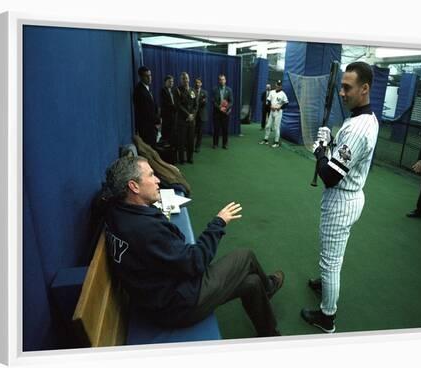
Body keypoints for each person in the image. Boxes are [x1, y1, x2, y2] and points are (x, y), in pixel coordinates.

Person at [102, 156, 285, 337]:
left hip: (157, 296)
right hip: (176, 307)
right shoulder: (146, 229)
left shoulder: (115, 209)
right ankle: (268, 287)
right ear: (133, 186)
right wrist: (218, 223)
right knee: (245, 256)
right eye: (151, 175)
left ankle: (270, 333)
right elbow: (195, 261)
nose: (158, 179)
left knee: (252, 282)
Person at [301, 61, 379, 333]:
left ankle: (327, 317)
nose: (342, 92)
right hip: (350, 195)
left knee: (330, 261)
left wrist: (321, 149)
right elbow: (345, 157)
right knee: (333, 255)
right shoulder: (363, 118)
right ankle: (325, 283)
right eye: (342, 87)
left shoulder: (358, 127)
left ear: (365, 88)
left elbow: (330, 175)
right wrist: (331, 141)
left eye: (348, 87)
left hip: (341, 199)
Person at [133, 66, 161, 149]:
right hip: (146, 128)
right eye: (146, 76)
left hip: (151, 126)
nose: (149, 78)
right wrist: (158, 121)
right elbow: (146, 112)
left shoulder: (146, 88)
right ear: (141, 77)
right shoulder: (140, 91)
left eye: (150, 75)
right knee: (150, 149)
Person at [174, 72, 197, 164]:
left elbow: (196, 105)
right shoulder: (177, 90)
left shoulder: (193, 91)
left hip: (191, 121)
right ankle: (181, 159)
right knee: (181, 141)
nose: (185, 80)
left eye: (186, 78)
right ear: (181, 80)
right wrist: (188, 115)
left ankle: (190, 157)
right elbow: (178, 105)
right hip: (182, 120)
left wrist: (193, 115)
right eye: (183, 79)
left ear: (189, 79)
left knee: (191, 140)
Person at [259, 80, 288, 148]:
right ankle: (266, 139)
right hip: (272, 111)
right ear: (275, 85)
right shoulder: (272, 92)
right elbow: (268, 100)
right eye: (277, 84)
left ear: (281, 86)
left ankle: (276, 142)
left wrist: (280, 107)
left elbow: (286, 103)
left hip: (278, 112)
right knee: (268, 126)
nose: (278, 86)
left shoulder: (283, 94)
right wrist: (270, 106)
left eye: (279, 85)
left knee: (276, 127)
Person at [212, 74, 233, 149]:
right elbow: (213, 101)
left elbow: (231, 102)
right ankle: (215, 144)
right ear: (218, 81)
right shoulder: (215, 89)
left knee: (225, 129)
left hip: (225, 113)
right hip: (217, 113)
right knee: (216, 129)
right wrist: (219, 108)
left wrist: (226, 108)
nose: (222, 81)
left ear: (225, 80)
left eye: (223, 79)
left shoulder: (229, 90)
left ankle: (225, 144)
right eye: (220, 79)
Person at [160, 75, 177, 146]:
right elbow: (166, 103)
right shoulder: (163, 90)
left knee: (173, 130)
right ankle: (166, 144)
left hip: (174, 114)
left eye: (172, 81)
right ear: (165, 82)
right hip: (166, 115)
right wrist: (176, 107)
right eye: (170, 81)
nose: (171, 83)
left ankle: (172, 143)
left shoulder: (174, 90)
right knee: (166, 131)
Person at [193, 77, 208, 153]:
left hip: (202, 115)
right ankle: (190, 146)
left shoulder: (204, 92)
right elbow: (191, 102)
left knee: (200, 132)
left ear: (201, 84)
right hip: (193, 115)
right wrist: (200, 101)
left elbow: (205, 103)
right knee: (192, 132)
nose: (197, 84)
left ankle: (197, 147)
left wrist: (198, 102)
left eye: (199, 82)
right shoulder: (191, 91)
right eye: (196, 82)